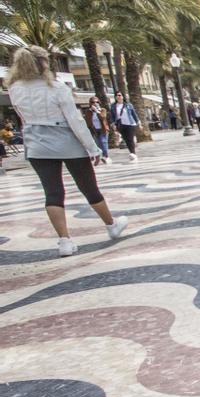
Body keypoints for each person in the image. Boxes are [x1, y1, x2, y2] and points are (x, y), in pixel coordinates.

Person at [6, 47, 127, 257]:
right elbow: (75, 121)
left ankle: (64, 241)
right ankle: (111, 225)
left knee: (52, 193)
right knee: (89, 187)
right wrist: (92, 148)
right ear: (43, 63)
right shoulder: (57, 88)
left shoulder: (14, 88)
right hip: (67, 141)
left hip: (37, 145)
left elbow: (22, 118)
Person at [109, 91, 139, 162]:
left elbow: (134, 114)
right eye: (117, 95)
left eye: (119, 95)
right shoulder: (113, 106)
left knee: (130, 139)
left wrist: (138, 122)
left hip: (130, 124)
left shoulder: (128, 105)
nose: (118, 96)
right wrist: (113, 124)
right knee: (126, 139)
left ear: (122, 96)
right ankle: (132, 153)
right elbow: (112, 116)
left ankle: (133, 153)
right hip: (120, 124)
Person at [85, 96, 112, 165]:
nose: (95, 103)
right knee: (98, 144)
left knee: (103, 142)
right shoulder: (88, 112)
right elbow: (88, 122)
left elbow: (103, 117)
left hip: (103, 129)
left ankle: (106, 157)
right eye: (93, 102)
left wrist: (97, 111)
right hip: (94, 130)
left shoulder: (102, 110)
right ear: (90, 103)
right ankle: (100, 157)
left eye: (96, 102)